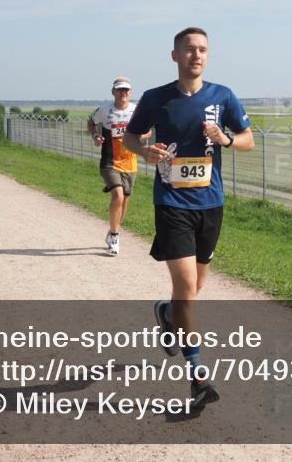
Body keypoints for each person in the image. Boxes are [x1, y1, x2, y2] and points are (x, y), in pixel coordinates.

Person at [123, 27, 254, 410]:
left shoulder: (223, 96)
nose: (196, 55)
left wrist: (226, 139)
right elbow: (132, 137)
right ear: (175, 55)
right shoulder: (155, 98)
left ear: (207, 56)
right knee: (185, 289)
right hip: (171, 203)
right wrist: (144, 151)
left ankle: (166, 313)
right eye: (189, 50)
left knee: (191, 291)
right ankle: (198, 376)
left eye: (203, 50)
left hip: (211, 204)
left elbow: (248, 139)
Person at [86, 77, 150, 256]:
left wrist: (138, 136)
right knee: (118, 195)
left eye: (126, 90)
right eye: (119, 90)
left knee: (125, 203)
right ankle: (114, 236)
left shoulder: (137, 110)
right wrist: (96, 137)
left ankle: (113, 229)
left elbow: (149, 131)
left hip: (130, 161)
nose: (123, 93)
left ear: (130, 92)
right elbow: (91, 123)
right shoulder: (104, 110)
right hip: (110, 161)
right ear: (113, 92)